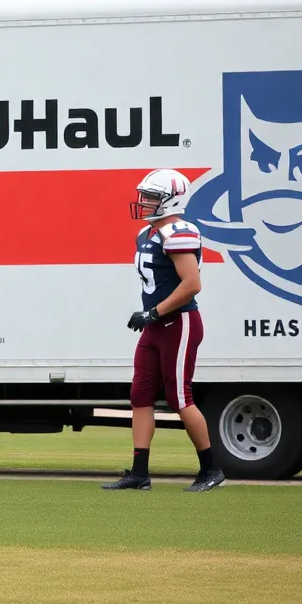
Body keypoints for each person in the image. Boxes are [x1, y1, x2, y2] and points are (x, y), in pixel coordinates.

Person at [103, 170, 224, 493]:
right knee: (140, 395)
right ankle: (140, 473)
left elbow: (192, 285)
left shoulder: (178, 233)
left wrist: (153, 312)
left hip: (178, 323)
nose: (144, 202)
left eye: (152, 197)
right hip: (156, 326)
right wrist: (151, 316)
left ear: (171, 200)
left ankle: (211, 469)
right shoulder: (147, 233)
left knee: (180, 396)